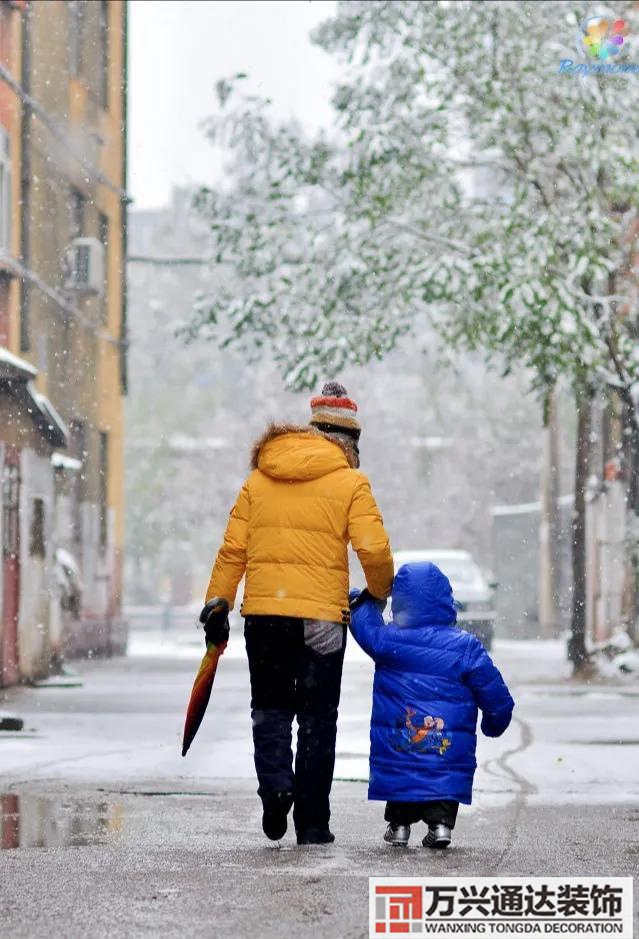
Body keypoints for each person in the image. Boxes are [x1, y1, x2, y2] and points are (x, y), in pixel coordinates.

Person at [202, 382, 394, 845]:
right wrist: (378, 591)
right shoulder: (351, 483)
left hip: (265, 615)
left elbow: (233, 551)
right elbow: (372, 547)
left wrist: (219, 601)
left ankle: (275, 789)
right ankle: (312, 823)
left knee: (268, 709)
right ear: (349, 442)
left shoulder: (258, 479)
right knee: (317, 718)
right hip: (322, 621)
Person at [349, 561, 514, 849]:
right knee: (443, 779)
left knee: (403, 773)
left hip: (401, 741)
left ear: (400, 602)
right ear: (445, 599)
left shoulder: (388, 640)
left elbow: (364, 624)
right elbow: (494, 691)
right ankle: (440, 825)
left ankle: (399, 826)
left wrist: (359, 599)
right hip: (447, 745)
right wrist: (494, 720)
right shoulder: (465, 646)